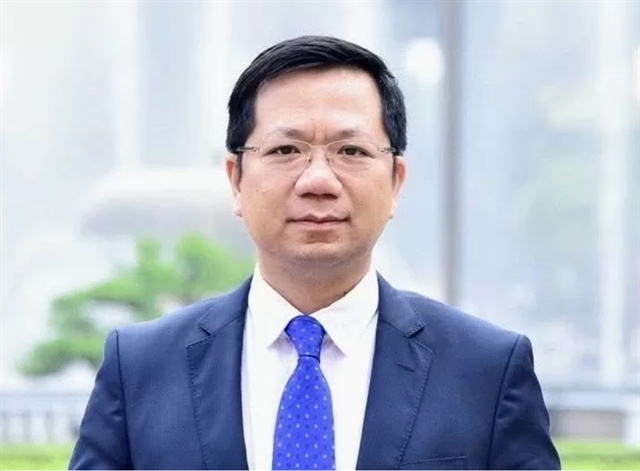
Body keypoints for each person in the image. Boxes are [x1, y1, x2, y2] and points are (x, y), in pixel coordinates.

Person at [69, 35, 560, 470]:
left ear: (396, 182)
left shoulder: (486, 369)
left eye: (351, 151)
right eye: (286, 150)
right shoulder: (141, 367)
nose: (318, 180)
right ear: (236, 180)